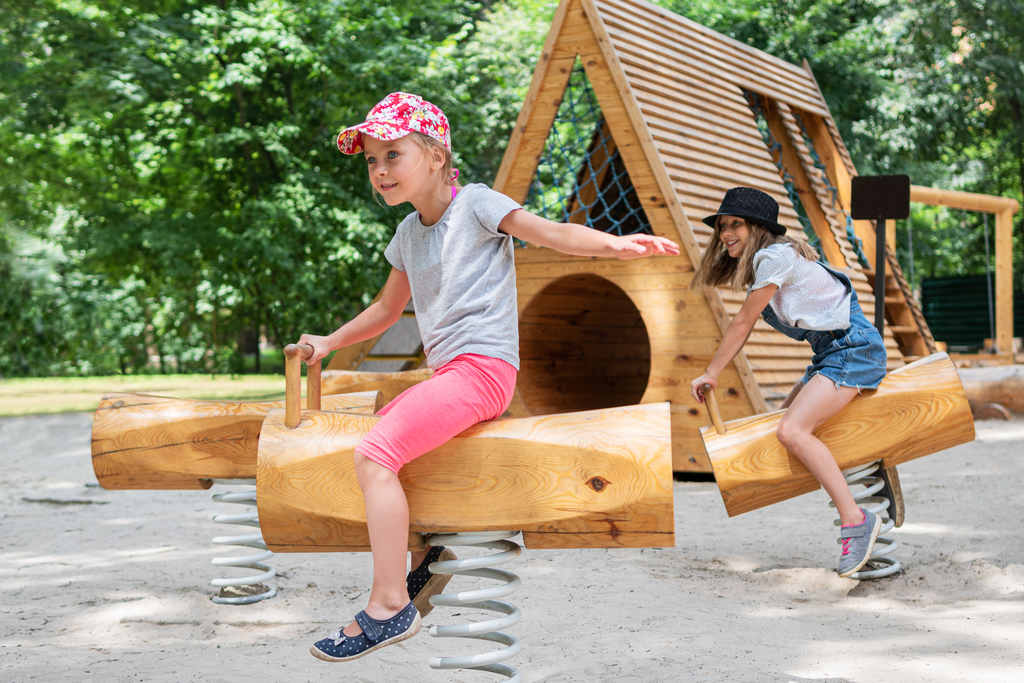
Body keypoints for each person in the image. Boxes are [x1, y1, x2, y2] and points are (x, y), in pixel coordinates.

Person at [299, 92, 680, 662]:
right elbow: (385, 311)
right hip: (449, 372)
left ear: (434, 155)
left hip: (482, 370)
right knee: (391, 437)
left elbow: (547, 231)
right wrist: (328, 342)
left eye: (393, 155)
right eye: (372, 161)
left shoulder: (475, 204)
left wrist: (613, 244)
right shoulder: (407, 234)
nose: (380, 171)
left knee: (374, 455)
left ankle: (387, 606)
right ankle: (428, 559)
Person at [689, 186, 886, 578]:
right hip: (832, 354)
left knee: (792, 431)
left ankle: (855, 519)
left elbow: (743, 321)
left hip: (853, 350)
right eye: (723, 226)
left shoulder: (774, 257)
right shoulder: (773, 261)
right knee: (782, 420)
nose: (726, 233)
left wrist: (712, 371)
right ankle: (862, 490)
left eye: (736, 225)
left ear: (758, 228)